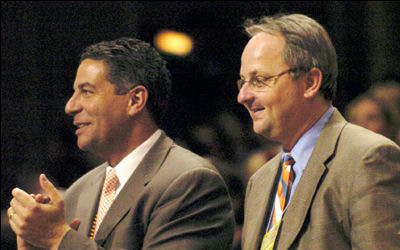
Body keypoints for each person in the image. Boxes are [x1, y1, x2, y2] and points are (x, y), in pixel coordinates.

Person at [8, 37, 235, 250]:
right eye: (74, 93)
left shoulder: (190, 181)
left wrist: (58, 238)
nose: (70, 106)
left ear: (135, 100)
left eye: (86, 92)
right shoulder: (78, 191)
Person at [236, 13, 400, 250]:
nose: (243, 96)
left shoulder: (369, 158)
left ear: (310, 82)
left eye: (260, 80)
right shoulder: (259, 181)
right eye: (243, 82)